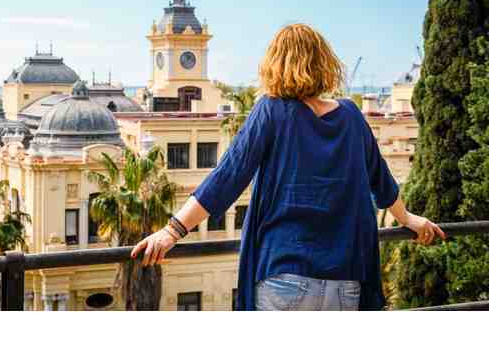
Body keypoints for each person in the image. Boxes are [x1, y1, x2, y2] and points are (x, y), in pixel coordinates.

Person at [131, 23, 445, 311]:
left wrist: (172, 231)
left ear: (274, 65)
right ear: (325, 63)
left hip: (286, 275)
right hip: (346, 281)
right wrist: (407, 219)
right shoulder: (351, 115)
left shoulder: (271, 110)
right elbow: (382, 181)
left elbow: (227, 177)